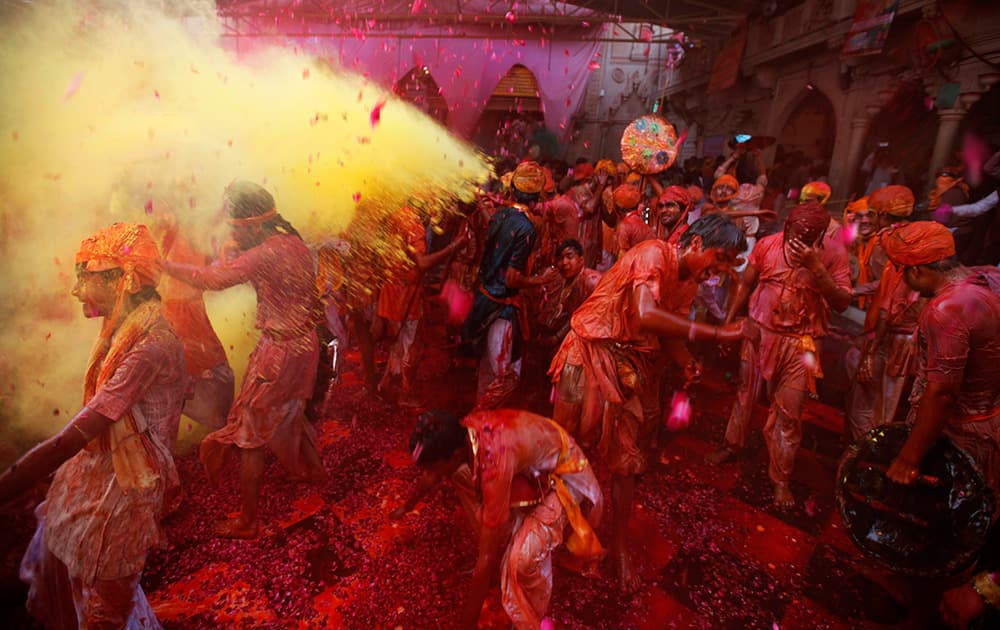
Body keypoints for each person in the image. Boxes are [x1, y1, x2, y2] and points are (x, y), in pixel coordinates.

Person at [0, 223, 185, 629]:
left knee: (106, 609)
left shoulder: (150, 344)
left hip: (129, 490)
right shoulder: (125, 326)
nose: (77, 290)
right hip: (103, 472)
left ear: (124, 281)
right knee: (68, 564)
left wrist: (5, 487)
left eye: (88, 276)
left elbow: (71, 439)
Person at [549, 213, 746, 590]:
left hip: (627, 365)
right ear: (696, 245)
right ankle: (556, 529)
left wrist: (686, 361)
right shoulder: (654, 253)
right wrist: (718, 333)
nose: (718, 271)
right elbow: (646, 313)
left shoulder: (688, 284)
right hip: (585, 352)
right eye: (718, 259)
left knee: (625, 460)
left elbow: (666, 329)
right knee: (566, 446)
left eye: (727, 265)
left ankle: (619, 546)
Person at [163, 180, 325, 539]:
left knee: (250, 433)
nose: (233, 232)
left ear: (254, 224)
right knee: (292, 412)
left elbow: (213, 279)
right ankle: (314, 472)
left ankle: (248, 521)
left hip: (280, 352)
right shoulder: (292, 241)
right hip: (305, 345)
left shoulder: (265, 252)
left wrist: (162, 265)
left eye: (237, 227)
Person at [394, 409, 603, 630]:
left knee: (521, 561)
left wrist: (466, 625)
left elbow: (485, 560)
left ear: (454, 455)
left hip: (566, 473)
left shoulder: (494, 464)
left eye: (434, 466)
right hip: (530, 467)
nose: (432, 473)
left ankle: (531, 616)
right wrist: (406, 506)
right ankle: (505, 531)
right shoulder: (462, 430)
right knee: (458, 475)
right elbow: (431, 475)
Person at [707, 202, 851, 508]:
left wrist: (816, 268)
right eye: (798, 235)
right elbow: (746, 284)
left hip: (802, 344)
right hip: (760, 332)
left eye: (811, 237)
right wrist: (731, 321)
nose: (802, 242)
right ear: (786, 228)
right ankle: (732, 444)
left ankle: (781, 480)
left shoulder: (835, 255)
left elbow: (841, 303)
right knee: (745, 393)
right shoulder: (767, 245)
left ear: (823, 235)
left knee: (789, 413)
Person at [883, 221, 1000, 497]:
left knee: (940, 518)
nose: (901, 280)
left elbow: (943, 393)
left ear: (917, 270)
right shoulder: (987, 278)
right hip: (990, 419)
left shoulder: (946, 310)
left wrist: (908, 458)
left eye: (900, 271)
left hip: (959, 433)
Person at [461, 161, 558, 410]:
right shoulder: (526, 227)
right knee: (506, 378)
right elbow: (512, 279)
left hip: (483, 302)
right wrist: (541, 279)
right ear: (536, 196)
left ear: (512, 190)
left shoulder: (501, 215)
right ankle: (482, 426)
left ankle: (479, 429)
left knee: (486, 369)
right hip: (501, 309)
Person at [152, 211, 234, 440]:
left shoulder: (198, 223)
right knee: (173, 378)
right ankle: (164, 438)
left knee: (217, 376)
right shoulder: (164, 225)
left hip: (191, 310)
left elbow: (209, 269)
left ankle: (217, 427)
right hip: (173, 312)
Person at [376, 205, 469, 405]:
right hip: (406, 294)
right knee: (412, 346)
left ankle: (384, 385)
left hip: (392, 288)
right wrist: (454, 246)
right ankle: (404, 394)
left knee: (398, 345)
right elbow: (423, 263)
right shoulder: (414, 225)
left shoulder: (396, 213)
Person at [536, 239, 602, 348]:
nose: (564, 262)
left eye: (569, 257)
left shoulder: (591, 281)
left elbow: (582, 318)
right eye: (560, 259)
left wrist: (556, 338)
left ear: (581, 260)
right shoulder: (563, 280)